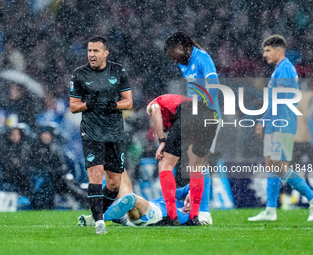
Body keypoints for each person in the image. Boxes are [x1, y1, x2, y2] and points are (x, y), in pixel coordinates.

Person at [248, 35, 313, 222]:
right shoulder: (279, 70)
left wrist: (263, 120)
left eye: (268, 50)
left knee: (280, 166)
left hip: (282, 123)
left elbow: (279, 98)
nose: (264, 54)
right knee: (271, 164)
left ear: (279, 51)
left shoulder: (285, 69)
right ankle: (270, 210)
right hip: (276, 122)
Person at [69, 36, 133, 234]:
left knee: (113, 183)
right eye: (89, 51)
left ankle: (97, 215)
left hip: (114, 133)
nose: (91, 55)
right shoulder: (79, 74)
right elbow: (73, 106)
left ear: (106, 53)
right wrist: (89, 104)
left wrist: (113, 105)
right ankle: (99, 223)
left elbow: (128, 102)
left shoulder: (118, 71)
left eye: (96, 51)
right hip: (91, 133)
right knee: (95, 175)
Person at [164, 32, 222, 222]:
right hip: (193, 116)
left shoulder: (203, 58)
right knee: (191, 164)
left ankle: (204, 211)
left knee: (200, 163)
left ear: (183, 46)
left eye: (174, 54)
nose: (174, 60)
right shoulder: (183, 63)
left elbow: (214, 86)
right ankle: (191, 201)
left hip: (208, 116)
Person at [146, 94, 216, 225]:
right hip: (210, 116)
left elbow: (154, 110)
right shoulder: (177, 103)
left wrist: (161, 140)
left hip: (188, 114)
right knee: (196, 167)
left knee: (165, 165)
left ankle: (172, 217)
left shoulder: (156, 102)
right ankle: (194, 217)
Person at [77, 170, 212, 227]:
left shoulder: (195, 215)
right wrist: (189, 192)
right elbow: (180, 190)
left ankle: (96, 219)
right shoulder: (181, 198)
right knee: (119, 169)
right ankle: (114, 216)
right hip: (148, 207)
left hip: (155, 214)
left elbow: (204, 174)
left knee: (132, 200)